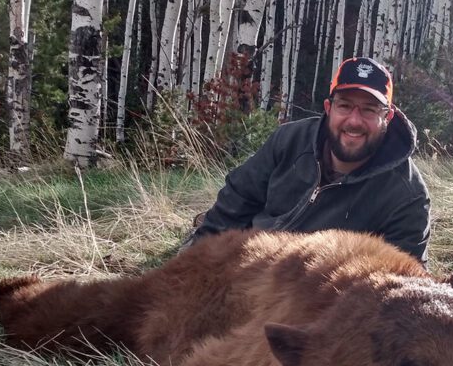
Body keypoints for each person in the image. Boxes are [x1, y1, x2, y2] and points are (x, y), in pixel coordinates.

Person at [184, 57, 431, 263]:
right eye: (344, 105)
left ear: (387, 117)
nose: (354, 121)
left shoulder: (407, 195)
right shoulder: (290, 139)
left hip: (318, 294)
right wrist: (194, 261)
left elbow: (403, 276)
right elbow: (236, 200)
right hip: (248, 261)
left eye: (369, 109)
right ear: (328, 107)